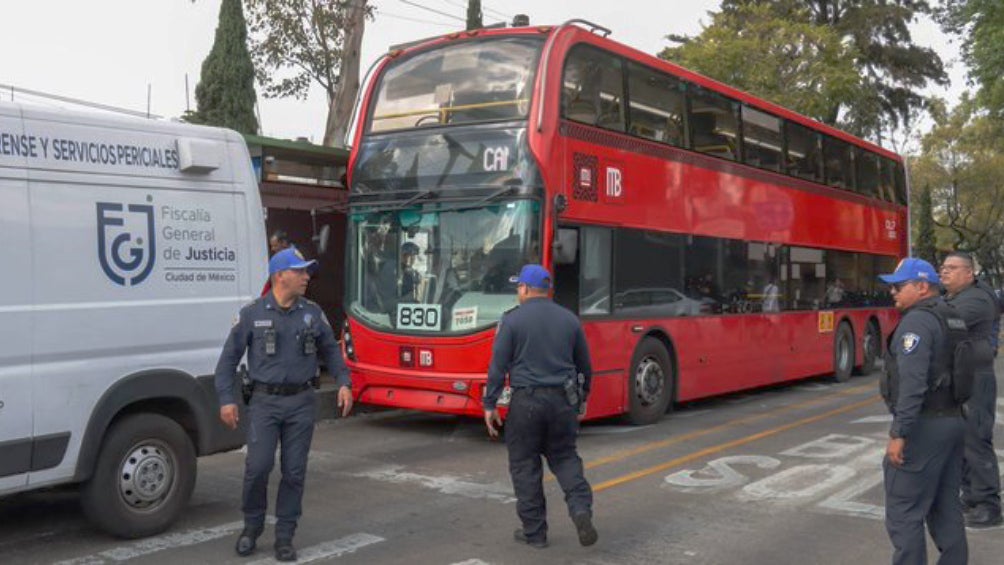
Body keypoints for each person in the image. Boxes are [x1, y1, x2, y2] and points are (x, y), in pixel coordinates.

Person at [215, 247, 353, 561]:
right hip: (264, 403)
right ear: (280, 276)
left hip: (302, 403)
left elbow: (331, 351)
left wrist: (344, 382)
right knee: (258, 467)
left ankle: (285, 536)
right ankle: (251, 528)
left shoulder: (312, 313)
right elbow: (227, 363)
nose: (307, 277)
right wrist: (226, 400)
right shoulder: (252, 314)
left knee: (294, 472)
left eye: (307, 271)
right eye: (300, 271)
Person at [483, 264, 598, 549]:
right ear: (547, 290)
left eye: (517, 287)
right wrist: (582, 398)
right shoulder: (569, 319)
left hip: (527, 403)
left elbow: (498, 365)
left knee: (525, 467)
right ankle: (581, 510)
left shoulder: (512, 321)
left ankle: (535, 533)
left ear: (524, 288)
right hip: (562, 402)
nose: (517, 292)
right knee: (566, 458)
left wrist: (490, 404)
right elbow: (585, 365)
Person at [878, 258, 967, 565]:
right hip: (954, 420)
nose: (893, 292)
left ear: (922, 286)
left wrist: (899, 433)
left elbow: (913, 384)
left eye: (899, 286)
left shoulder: (917, 322)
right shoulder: (952, 316)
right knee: (945, 508)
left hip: (924, 426)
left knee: (904, 511)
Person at [939, 251, 1002, 528]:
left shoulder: (976, 299)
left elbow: (942, 324)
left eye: (952, 268)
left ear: (969, 273)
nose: (944, 272)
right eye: (943, 267)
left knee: (976, 440)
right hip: (962, 376)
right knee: (961, 440)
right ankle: (970, 497)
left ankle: (988, 504)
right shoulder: (955, 297)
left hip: (976, 377)